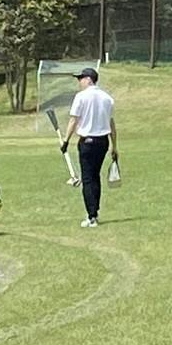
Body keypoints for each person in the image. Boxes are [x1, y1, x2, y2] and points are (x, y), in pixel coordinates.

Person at [59, 63, 122, 225]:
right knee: (95, 176)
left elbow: (73, 120)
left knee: (87, 178)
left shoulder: (81, 97)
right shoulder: (107, 98)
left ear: (89, 79)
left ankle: (91, 216)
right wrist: (114, 146)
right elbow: (111, 124)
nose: (79, 82)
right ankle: (95, 211)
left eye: (81, 79)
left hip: (87, 142)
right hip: (103, 142)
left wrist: (66, 141)